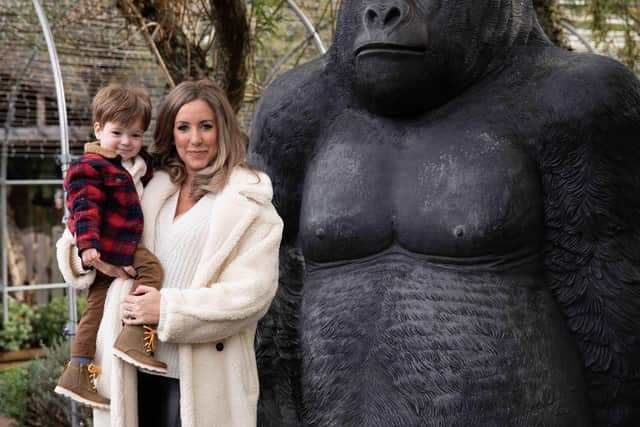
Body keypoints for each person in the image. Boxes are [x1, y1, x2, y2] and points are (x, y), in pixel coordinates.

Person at [60, 79, 283, 427]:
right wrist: (87, 257)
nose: (195, 139)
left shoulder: (249, 201)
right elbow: (73, 235)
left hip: (204, 378)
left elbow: (251, 295)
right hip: (129, 373)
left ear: (222, 129)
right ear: (171, 132)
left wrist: (166, 308)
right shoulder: (145, 182)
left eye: (205, 126)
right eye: (183, 127)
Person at [55, 84, 167, 410]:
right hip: (113, 245)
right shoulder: (89, 166)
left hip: (113, 248)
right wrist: (88, 248)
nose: (126, 142)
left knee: (93, 311)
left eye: (135, 135)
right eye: (117, 133)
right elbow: (84, 208)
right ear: (98, 129)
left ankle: (77, 369)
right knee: (151, 270)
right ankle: (135, 335)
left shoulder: (134, 164)